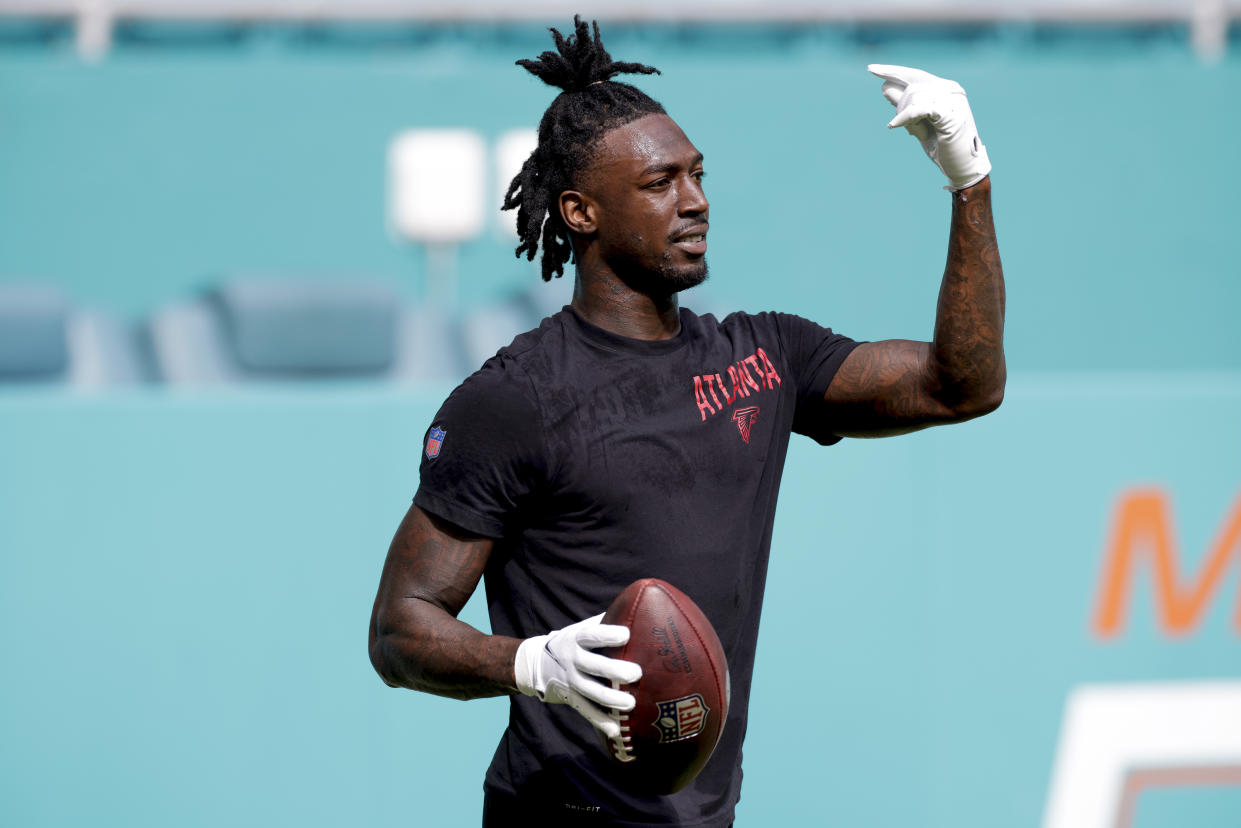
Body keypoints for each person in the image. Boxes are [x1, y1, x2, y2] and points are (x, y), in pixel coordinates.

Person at [369, 16, 1004, 827]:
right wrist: (532, 663)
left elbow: (964, 385)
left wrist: (968, 180)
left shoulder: (765, 355)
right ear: (579, 211)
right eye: (659, 182)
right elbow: (398, 631)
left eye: (698, 175)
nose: (695, 201)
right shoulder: (513, 399)